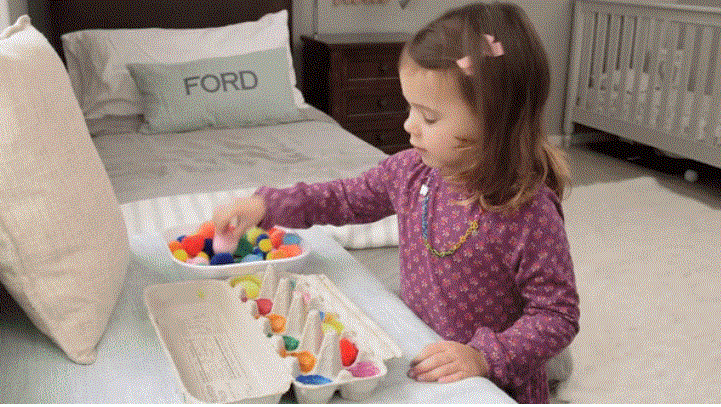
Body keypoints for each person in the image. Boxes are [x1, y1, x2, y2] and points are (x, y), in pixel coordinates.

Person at [213, 2, 579, 403]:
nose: (409, 125)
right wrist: (266, 206)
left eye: (430, 117)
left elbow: (556, 315)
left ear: (495, 121)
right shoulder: (410, 173)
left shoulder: (528, 212)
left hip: (488, 383)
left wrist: (484, 357)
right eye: (410, 108)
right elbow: (343, 198)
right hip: (418, 349)